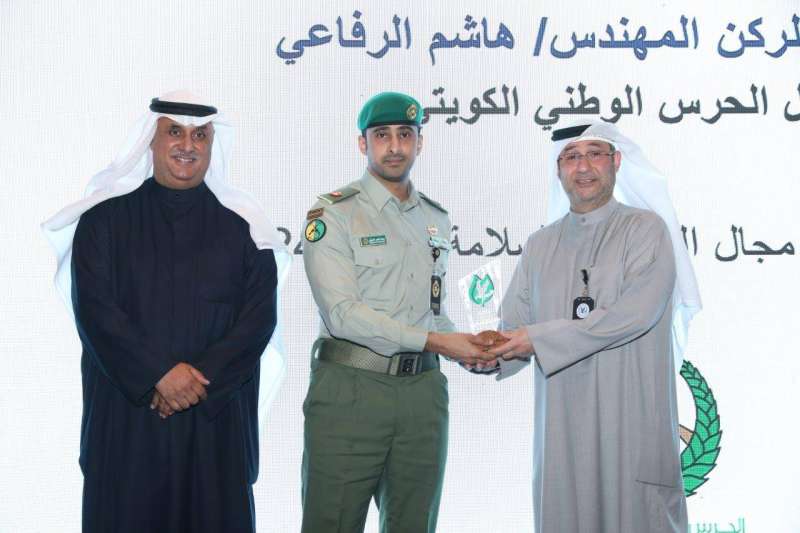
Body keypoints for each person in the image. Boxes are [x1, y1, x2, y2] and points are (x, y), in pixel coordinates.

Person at [42, 90, 290, 533]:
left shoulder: (246, 230)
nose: (187, 145)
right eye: (174, 132)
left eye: (200, 135)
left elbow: (257, 320)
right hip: (128, 421)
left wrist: (196, 381)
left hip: (215, 422)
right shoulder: (103, 222)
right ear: (151, 141)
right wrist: (158, 374)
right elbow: (97, 314)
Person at [487, 122, 702, 533]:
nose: (583, 167)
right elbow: (513, 327)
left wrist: (534, 339)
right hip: (563, 440)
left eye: (594, 154)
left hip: (632, 431)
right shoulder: (539, 246)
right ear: (558, 169)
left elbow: (634, 315)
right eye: (571, 157)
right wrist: (487, 355)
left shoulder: (647, 230)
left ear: (616, 161)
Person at [300, 92, 494, 533]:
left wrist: (470, 348)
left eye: (405, 135)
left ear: (419, 143)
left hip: (422, 395)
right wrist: (438, 341)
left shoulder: (435, 218)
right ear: (362, 143)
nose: (394, 146)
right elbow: (342, 314)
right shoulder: (334, 213)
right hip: (351, 391)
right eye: (382, 135)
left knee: (414, 525)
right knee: (331, 523)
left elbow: (431, 312)